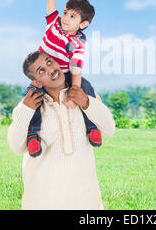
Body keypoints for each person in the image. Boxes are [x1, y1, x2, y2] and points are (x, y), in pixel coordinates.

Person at [8, 50, 115, 210]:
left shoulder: (84, 94)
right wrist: (26, 109)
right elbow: (16, 147)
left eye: (49, 62)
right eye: (41, 71)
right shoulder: (28, 106)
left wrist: (86, 102)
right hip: (42, 201)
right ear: (36, 82)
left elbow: (109, 128)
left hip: (85, 200)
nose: (50, 70)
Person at [26, 0, 102, 158]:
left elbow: (76, 70)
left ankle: (92, 127)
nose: (66, 18)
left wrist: (74, 93)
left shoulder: (78, 44)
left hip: (64, 75)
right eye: (66, 13)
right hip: (43, 73)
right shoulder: (54, 24)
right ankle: (33, 135)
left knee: (87, 88)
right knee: (31, 94)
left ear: (83, 25)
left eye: (72, 16)